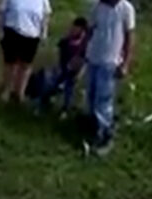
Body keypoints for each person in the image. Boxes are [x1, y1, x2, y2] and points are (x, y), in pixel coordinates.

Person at [84, 0, 136, 155]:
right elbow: (89, 32)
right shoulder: (96, 6)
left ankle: (105, 135)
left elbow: (129, 37)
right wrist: (82, 53)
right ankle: (92, 125)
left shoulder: (126, 9)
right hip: (93, 57)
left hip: (110, 61)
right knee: (91, 94)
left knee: (104, 100)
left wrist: (125, 63)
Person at [27, 17, 89, 114]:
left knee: (69, 85)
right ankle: (42, 103)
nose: (73, 29)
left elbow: (85, 62)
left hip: (74, 73)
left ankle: (65, 109)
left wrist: (79, 74)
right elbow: (57, 55)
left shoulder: (85, 46)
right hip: (62, 69)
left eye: (77, 28)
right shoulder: (66, 41)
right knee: (48, 80)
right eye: (74, 27)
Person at [0, 0, 52, 102]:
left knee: (25, 65)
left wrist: (44, 33)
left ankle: (19, 93)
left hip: (32, 34)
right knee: (10, 63)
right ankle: (7, 90)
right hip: (13, 30)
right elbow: (2, 11)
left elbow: (46, 15)